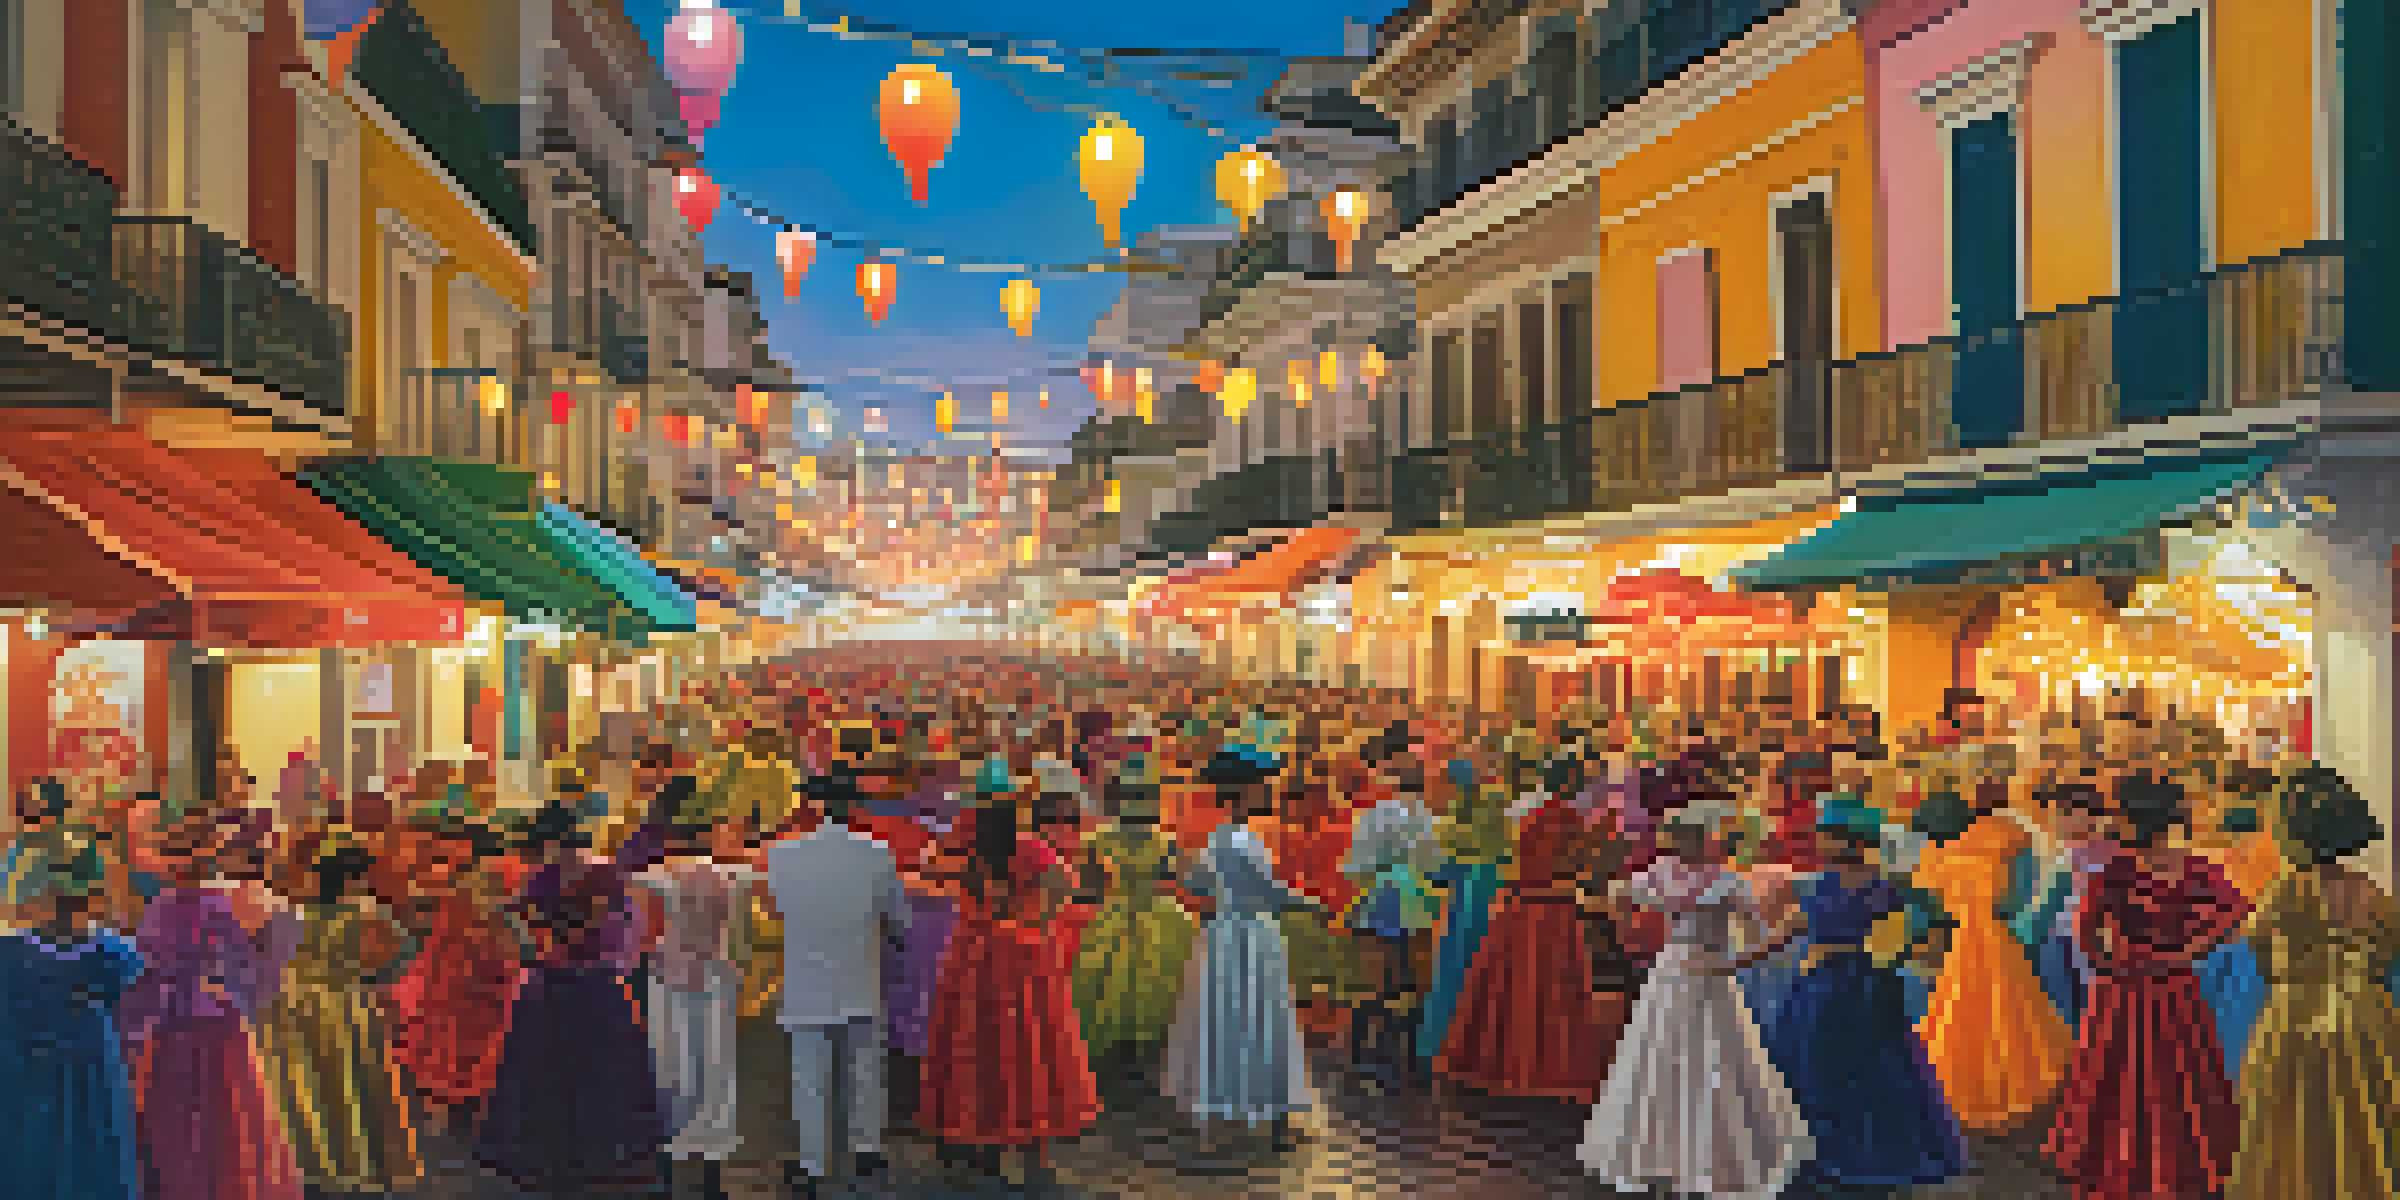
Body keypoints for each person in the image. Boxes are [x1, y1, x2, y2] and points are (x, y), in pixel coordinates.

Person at [1577, 810, 1811, 1197]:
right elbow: (1619, 895)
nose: (1691, 845)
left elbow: (1619, 895)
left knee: (1692, 1052)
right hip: (1689, 970)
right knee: (1679, 1051)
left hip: (1690, 970)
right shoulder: (1700, 875)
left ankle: (1681, 1149)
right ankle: (1677, 1149)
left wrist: (1726, 960)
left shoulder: (1693, 875)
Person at [2046, 773, 2251, 1200]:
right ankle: (2186, 1154)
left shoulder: (2115, 869)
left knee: (2117, 1070)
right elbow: (2235, 909)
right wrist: (2194, 947)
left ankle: (2116, 1154)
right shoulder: (2195, 866)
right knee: (2181, 1071)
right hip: (2176, 982)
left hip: (2125, 983)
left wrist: (2108, 962)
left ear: (2128, 818)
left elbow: (2086, 930)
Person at [1766, 796, 1970, 1191]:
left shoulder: (1885, 887)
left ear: (1855, 840)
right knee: (1821, 1062)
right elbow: (1795, 928)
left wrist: (1861, 951)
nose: (1826, 844)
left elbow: (1915, 939)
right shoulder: (1828, 883)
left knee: (1859, 1062)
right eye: (1827, 837)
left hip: (1858, 986)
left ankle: (1854, 1149)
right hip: (1831, 984)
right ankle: (1819, 1145)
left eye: (1834, 837)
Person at [918, 764, 1101, 1182]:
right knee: (1030, 1049)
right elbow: (1064, 890)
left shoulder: (961, 847)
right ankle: (1032, 1151)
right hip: (1024, 955)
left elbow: (929, 874)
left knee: (975, 1049)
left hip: (973, 956)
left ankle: (978, 1143)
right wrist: (1037, 917)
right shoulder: (1032, 850)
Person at [2227, 763, 2400, 1199]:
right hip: (2366, 1013)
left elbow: (2259, 947)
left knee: (2297, 1118)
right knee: (2368, 1111)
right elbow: (2388, 949)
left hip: (2295, 1016)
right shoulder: (2370, 892)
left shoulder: (2284, 892)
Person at [475, 805, 666, 1192]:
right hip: (592, 981)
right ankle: (604, 1154)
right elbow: (607, 923)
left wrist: (530, 929)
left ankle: (552, 1155)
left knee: (550, 1070)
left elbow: (539, 915)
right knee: (599, 1071)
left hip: (557, 981)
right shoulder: (598, 871)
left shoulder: (557, 872)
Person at [119, 813, 304, 1200]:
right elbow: (144, 961)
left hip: (194, 1017)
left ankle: (197, 1180)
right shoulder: (170, 905)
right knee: (186, 1105)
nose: (179, 865)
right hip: (181, 1016)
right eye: (175, 856)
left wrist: (224, 993)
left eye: (185, 857)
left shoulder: (196, 904)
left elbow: (238, 962)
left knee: (205, 1105)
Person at [1161, 747, 1324, 1151]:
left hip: (1220, 934)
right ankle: (1273, 1118)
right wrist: (1313, 905)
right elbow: (1268, 891)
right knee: (1263, 1020)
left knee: (1222, 1019)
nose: (1268, 791)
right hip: (1250, 935)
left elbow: (1197, 885)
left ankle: (1222, 1113)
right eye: (1261, 785)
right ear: (1240, 793)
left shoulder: (1220, 838)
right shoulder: (1241, 840)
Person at [1436, 757, 1626, 1105]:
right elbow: (1577, 864)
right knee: (1549, 991)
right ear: (1567, 782)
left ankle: (1502, 1067)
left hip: (1520, 910)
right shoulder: (1567, 819)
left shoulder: (1531, 816)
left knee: (1512, 989)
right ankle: (1542, 1070)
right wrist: (1602, 840)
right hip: (1554, 913)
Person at [765, 770, 911, 1197]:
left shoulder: (782, 855)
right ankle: (867, 1150)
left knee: (807, 1075)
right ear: (855, 807)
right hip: (859, 974)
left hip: (805, 978)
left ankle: (812, 1162)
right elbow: (894, 915)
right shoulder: (877, 853)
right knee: (864, 1068)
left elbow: (777, 910)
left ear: (811, 806)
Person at [254, 836, 424, 1195]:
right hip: (342, 1000)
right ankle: (352, 1165)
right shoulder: (367, 910)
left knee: (304, 1087)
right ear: (354, 876)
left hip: (291, 1002)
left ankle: (307, 1163)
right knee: (350, 1084)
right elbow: (402, 954)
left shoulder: (294, 908)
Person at [1911, 783, 2073, 1134]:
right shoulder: (2008, 844)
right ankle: (2016, 1080)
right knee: (2011, 1009)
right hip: (1998, 939)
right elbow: (2016, 902)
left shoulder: (1934, 860)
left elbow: (1929, 908)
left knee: (1962, 1009)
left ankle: (1966, 1081)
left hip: (1963, 944)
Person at [0, 831, 145, 1200]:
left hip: (24, 1069)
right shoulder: (112, 952)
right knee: (92, 1147)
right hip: (89, 1066)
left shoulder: (9, 953)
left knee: (31, 1150)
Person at [636, 816, 764, 1184]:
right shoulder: (731, 877)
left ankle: (669, 1150)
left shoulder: (656, 876)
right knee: (715, 1068)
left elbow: (639, 916)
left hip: (668, 976)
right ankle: (711, 1160)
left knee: (671, 1064)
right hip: (715, 978)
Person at [388, 821, 525, 1135]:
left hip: (451, 975)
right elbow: (500, 941)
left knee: (445, 1042)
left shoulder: (459, 890)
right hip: (479, 976)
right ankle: (471, 1114)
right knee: (476, 1042)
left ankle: (440, 1115)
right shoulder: (493, 886)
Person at [1073, 758, 1197, 1075]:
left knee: (1110, 984)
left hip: (1114, 913)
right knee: (1154, 983)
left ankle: (1119, 1054)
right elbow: (1182, 879)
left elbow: (1089, 886)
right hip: (1159, 915)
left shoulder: (1099, 838)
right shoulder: (1164, 840)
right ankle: (1146, 1052)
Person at [1341, 753, 1440, 1088]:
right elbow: (1435, 868)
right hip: (1417, 907)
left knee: (1371, 982)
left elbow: (1353, 867)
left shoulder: (1372, 816)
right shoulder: (1429, 820)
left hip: (1375, 903)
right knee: (1411, 983)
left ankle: (1358, 1051)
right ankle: (1408, 1055)